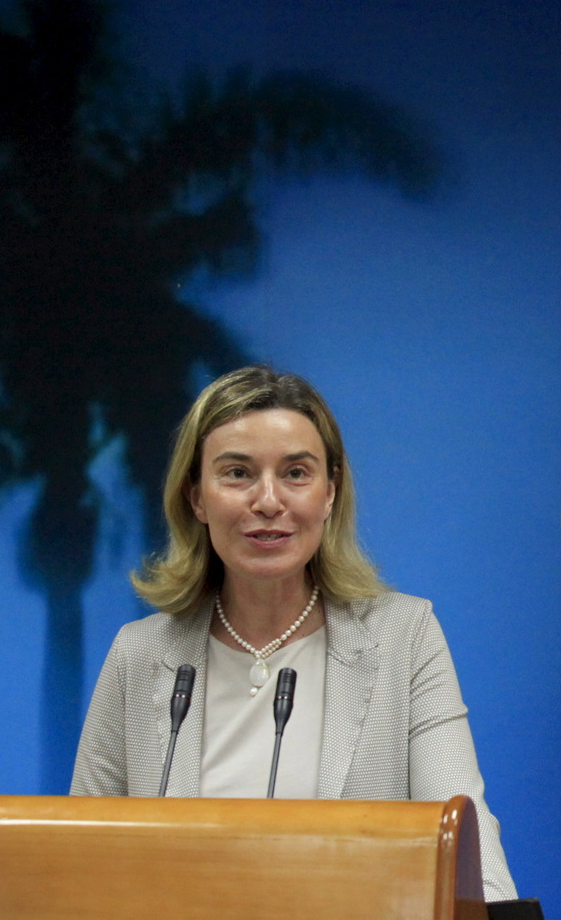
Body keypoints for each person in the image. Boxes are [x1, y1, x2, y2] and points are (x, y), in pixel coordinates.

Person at [72, 365, 517, 899]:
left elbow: (466, 842)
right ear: (196, 498)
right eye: (237, 473)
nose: (268, 501)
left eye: (296, 473)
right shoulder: (139, 654)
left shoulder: (405, 637)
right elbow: (83, 859)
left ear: (330, 492)